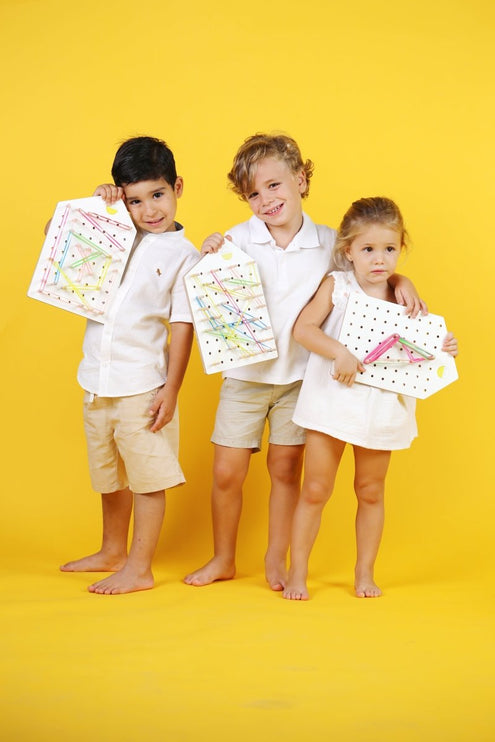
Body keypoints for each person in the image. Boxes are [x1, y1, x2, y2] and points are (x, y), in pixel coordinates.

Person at [184, 134, 424, 591]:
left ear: (300, 179)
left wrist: (403, 280)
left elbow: (371, 266)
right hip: (245, 374)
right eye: (253, 194)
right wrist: (209, 250)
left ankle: (277, 559)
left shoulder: (330, 242)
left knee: (285, 470)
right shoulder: (237, 239)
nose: (266, 200)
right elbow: (208, 287)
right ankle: (223, 558)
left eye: (274, 185)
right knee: (226, 472)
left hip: (301, 379)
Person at [282, 196, 458, 601]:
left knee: (371, 490)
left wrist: (444, 347)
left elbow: (417, 352)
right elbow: (304, 329)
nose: (380, 259)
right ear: (349, 251)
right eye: (368, 249)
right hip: (331, 402)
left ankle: (364, 573)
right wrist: (338, 352)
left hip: (381, 409)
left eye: (389, 249)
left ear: (401, 247)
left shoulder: (406, 299)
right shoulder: (338, 286)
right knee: (315, 490)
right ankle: (297, 573)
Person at [59, 136, 199, 594]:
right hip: (97, 379)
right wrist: (96, 207)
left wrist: (171, 390)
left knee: (147, 478)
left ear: (177, 187)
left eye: (158, 195)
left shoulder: (185, 256)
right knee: (111, 474)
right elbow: (55, 237)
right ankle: (112, 550)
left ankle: (140, 568)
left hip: (143, 385)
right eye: (135, 200)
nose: (149, 210)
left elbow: (182, 327)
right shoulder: (112, 230)